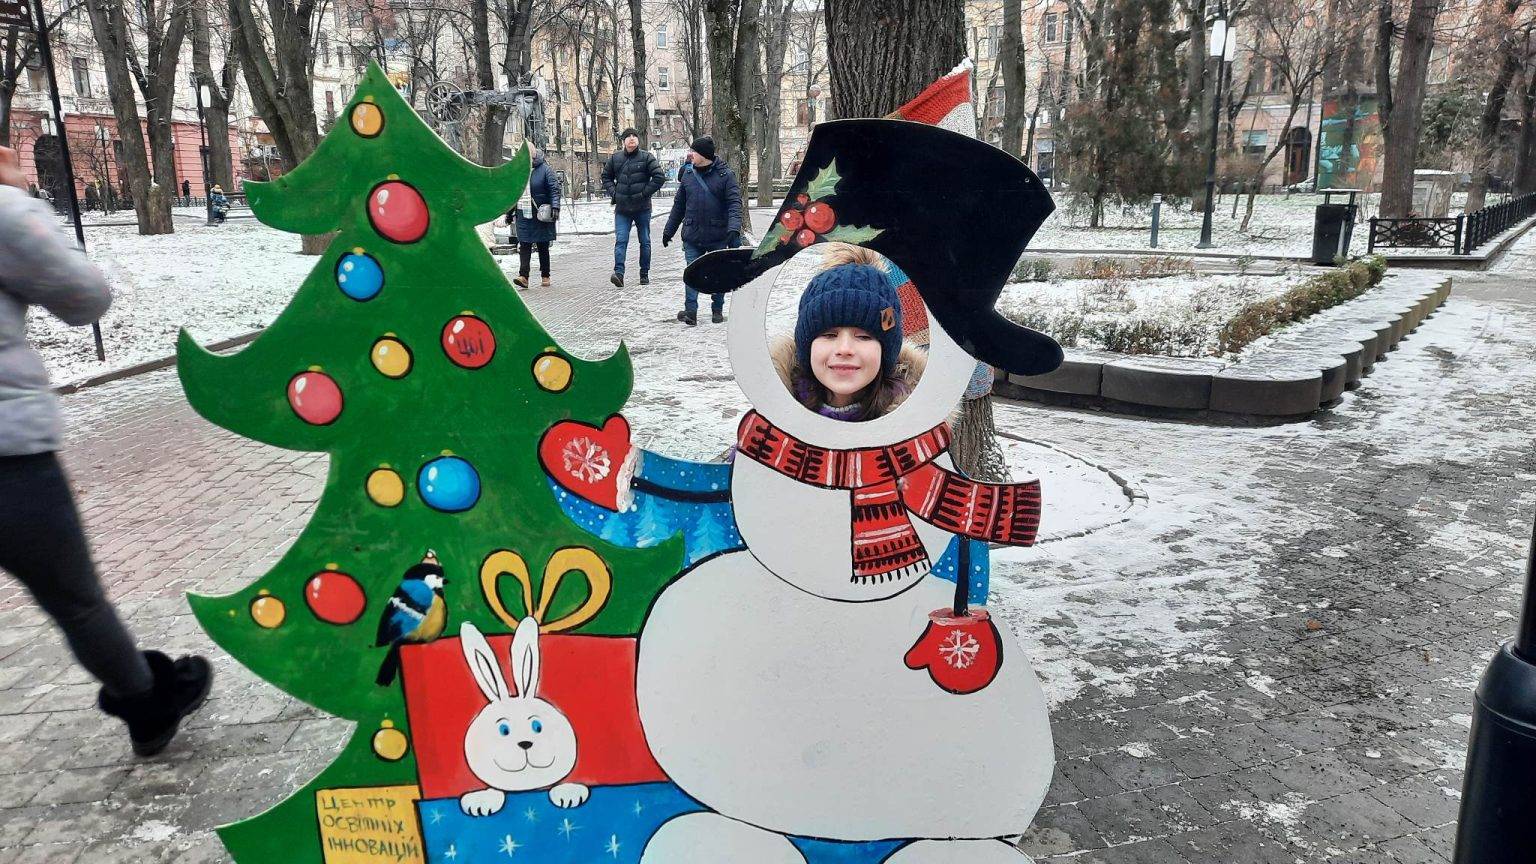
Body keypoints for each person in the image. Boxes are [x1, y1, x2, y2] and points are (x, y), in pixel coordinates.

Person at [0, 145, 213, 757]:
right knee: (75, 600)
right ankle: (147, 703)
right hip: (8, 458)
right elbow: (85, 296)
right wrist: (16, 198)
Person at [772, 244, 923, 421]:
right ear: (806, 346)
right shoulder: (771, 415)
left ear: (886, 351)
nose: (844, 349)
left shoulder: (916, 426)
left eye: (864, 336)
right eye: (829, 335)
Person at [662, 136, 743, 326]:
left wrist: (733, 229)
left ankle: (717, 309)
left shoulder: (726, 175)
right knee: (692, 273)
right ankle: (691, 311)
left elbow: (734, 204)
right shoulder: (688, 175)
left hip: (717, 235)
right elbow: (679, 206)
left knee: (718, 274)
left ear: (704, 155)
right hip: (692, 235)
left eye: (694, 152)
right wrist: (669, 231)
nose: (691, 155)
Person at [601, 128, 664, 287]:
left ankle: (644, 274)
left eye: (634, 136)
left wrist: (644, 193)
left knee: (645, 241)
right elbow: (606, 177)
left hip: (642, 208)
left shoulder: (647, 157)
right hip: (622, 209)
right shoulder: (615, 158)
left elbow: (659, 177)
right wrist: (614, 193)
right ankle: (619, 274)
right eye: (628, 136)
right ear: (623, 141)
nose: (631, 139)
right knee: (621, 240)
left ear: (638, 140)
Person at [509, 147, 560, 290]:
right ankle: (523, 277)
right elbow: (514, 193)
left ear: (533, 153)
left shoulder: (545, 169)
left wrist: (555, 207)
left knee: (542, 245)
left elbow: (554, 189)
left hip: (540, 213)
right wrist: (509, 213)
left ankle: (545, 275)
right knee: (524, 245)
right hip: (523, 212)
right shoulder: (519, 170)